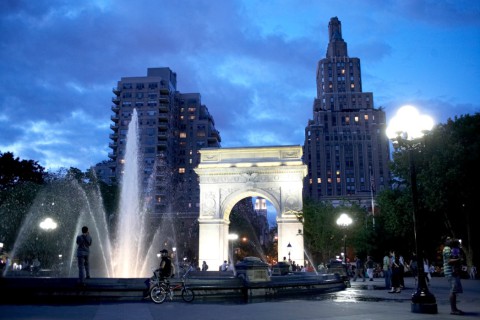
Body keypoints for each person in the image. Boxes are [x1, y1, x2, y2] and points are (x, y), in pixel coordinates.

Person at [443, 237, 465, 315]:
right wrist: (459, 259)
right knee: (453, 290)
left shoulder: (451, 248)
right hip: (450, 272)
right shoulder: (447, 249)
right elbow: (449, 261)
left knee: (454, 291)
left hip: (453, 271)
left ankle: (455, 308)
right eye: (448, 239)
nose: (450, 240)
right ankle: (453, 310)